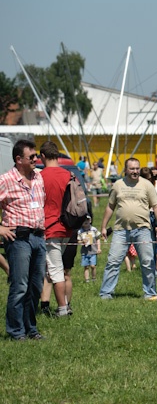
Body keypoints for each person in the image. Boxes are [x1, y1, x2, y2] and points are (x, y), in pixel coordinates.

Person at [98, 157, 157, 300]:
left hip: (143, 229)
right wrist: (103, 226)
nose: (135, 171)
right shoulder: (118, 185)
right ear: (126, 170)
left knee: (147, 261)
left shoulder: (147, 185)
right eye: (132, 168)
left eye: (137, 168)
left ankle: (150, 293)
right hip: (121, 230)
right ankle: (106, 293)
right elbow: (110, 206)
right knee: (113, 261)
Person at [0, 140, 47, 340]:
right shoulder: (6, 180)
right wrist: (0, 228)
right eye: (32, 157)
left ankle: (31, 329)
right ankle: (15, 331)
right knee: (20, 286)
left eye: (36, 156)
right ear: (19, 160)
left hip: (38, 237)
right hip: (18, 239)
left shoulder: (38, 177)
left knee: (36, 286)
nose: (36, 159)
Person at [37, 141, 77, 318]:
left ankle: (62, 309)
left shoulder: (40, 176)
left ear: (42, 156)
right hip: (67, 228)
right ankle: (53, 304)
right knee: (55, 268)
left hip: (49, 227)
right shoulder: (69, 175)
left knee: (55, 269)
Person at [78, 216, 101, 283]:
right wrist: (82, 241)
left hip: (93, 251)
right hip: (84, 252)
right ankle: (87, 280)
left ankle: (94, 278)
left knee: (93, 266)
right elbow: (78, 241)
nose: (86, 221)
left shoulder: (94, 229)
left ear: (90, 221)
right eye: (84, 220)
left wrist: (99, 248)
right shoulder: (80, 231)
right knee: (86, 266)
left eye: (87, 220)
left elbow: (98, 239)